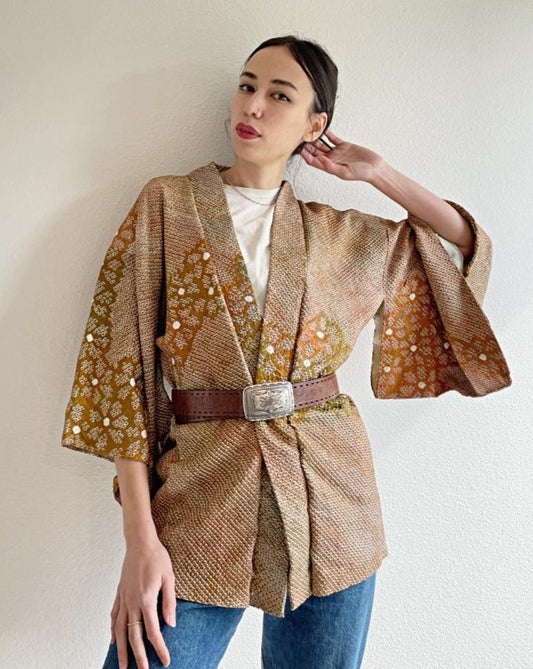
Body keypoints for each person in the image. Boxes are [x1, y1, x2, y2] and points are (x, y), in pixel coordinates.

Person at [61, 35, 511, 669]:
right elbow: (119, 371)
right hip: (205, 494)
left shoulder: (342, 234)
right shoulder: (166, 203)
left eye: (280, 96)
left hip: (333, 501)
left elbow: (463, 252)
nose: (254, 106)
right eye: (248, 86)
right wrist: (141, 540)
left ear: (314, 124)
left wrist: (378, 173)